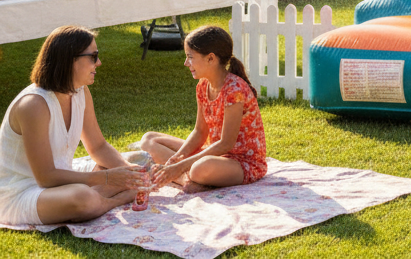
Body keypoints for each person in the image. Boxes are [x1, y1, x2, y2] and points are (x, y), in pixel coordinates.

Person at [0, 26, 144, 226]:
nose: (99, 63)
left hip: (61, 183)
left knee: (131, 164)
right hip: (22, 192)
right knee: (83, 197)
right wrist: (110, 178)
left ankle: (101, 198)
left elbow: (98, 147)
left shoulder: (80, 91)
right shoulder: (34, 105)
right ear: (69, 60)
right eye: (93, 56)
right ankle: (113, 201)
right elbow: (46, 178)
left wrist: (129, 173)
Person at [139, 26, 267, 193]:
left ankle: (184, 176)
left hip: (240, 163)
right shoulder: (202, 86)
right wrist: (177, 158)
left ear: (211, 59)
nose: (186, 63)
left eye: (190, 57)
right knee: (149, 140)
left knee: (199, 168)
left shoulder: (235, 91)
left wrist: (180, 165)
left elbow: (226, 144)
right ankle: (186, 181)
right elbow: (200, 131)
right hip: (213, 154)